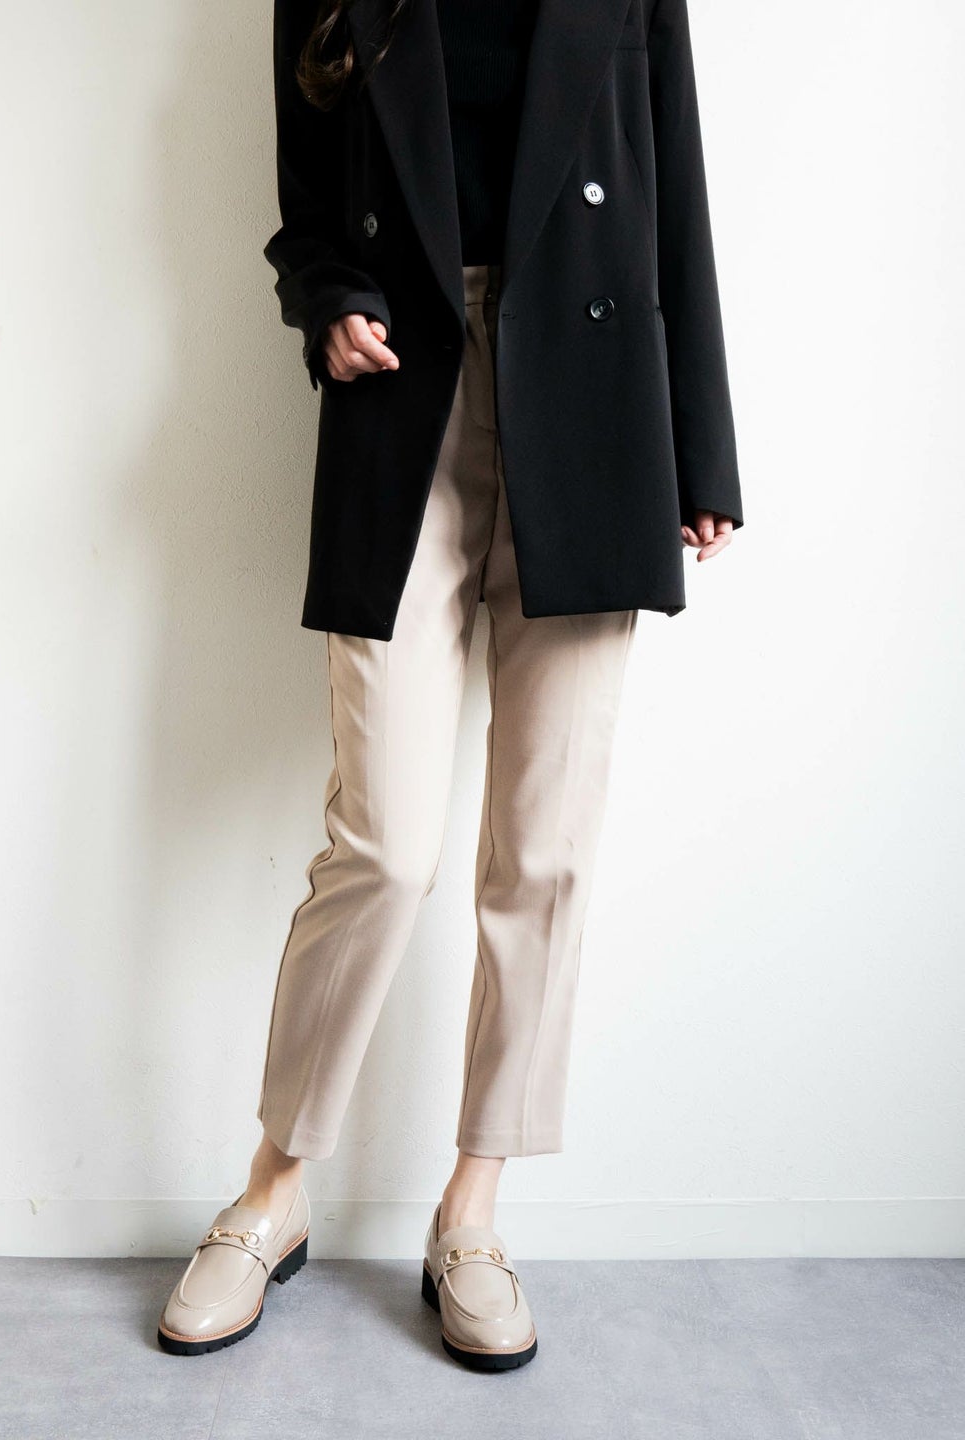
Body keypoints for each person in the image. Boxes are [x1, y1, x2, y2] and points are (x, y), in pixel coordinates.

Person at [159, 0, 743, 1372]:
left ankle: (472, 1212)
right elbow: (308, 213)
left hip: (593, 401)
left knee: (543, 848)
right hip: (406, 398)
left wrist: (702, 445)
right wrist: (329, 307)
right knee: (384, 842)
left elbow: (677, 183)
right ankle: (273, 1191)